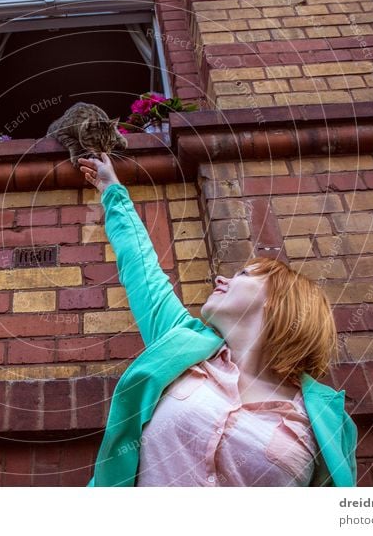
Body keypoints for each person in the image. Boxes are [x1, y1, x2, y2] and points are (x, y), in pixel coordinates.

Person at [78, 153, 357, 487]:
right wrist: (112, 189)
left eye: (242, 274)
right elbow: (142, 269)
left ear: (278, 303)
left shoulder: (324, 422)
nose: (221, 280)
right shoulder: (181, 347)